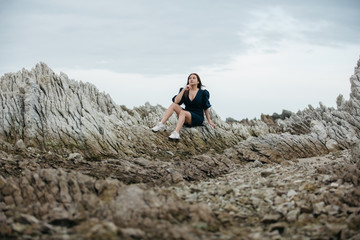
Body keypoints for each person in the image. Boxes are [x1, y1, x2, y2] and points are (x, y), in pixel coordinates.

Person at [152, 73, 216, 139]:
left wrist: (209, 121)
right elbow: (176, 101)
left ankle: (176, 133)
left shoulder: (203, 93)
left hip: (197, 117)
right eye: (190, 78)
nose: (191, 79)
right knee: (173, 105)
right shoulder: (185, 91)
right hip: (185, 116)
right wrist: (184, 90)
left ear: (198, 81)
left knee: (183, 112)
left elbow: (205, 107)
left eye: (194, 78)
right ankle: (161, 124)